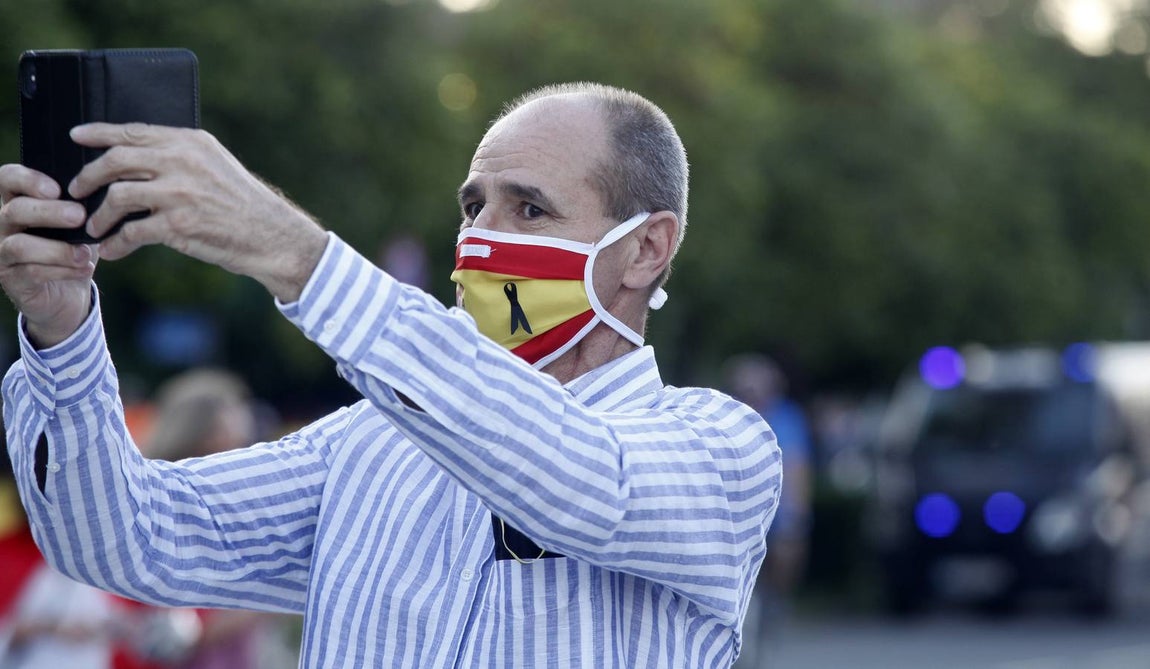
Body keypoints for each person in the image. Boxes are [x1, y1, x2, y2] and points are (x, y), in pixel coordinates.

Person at [0, 82, 781, 667]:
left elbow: (584, 484)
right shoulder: (365, 445)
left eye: (529, 210)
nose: (480, 237)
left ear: (646, 249)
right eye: (473, 206)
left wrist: (293, 253)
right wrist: (60, 327)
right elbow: (122, 539)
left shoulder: (723, 448)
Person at [726, 353, 812, 668]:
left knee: (777, 577)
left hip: (777, 520)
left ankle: (769, 625)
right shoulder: (726, 416)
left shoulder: (787, 418)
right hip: (738, 522)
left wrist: (796, 519)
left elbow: (798, 467)